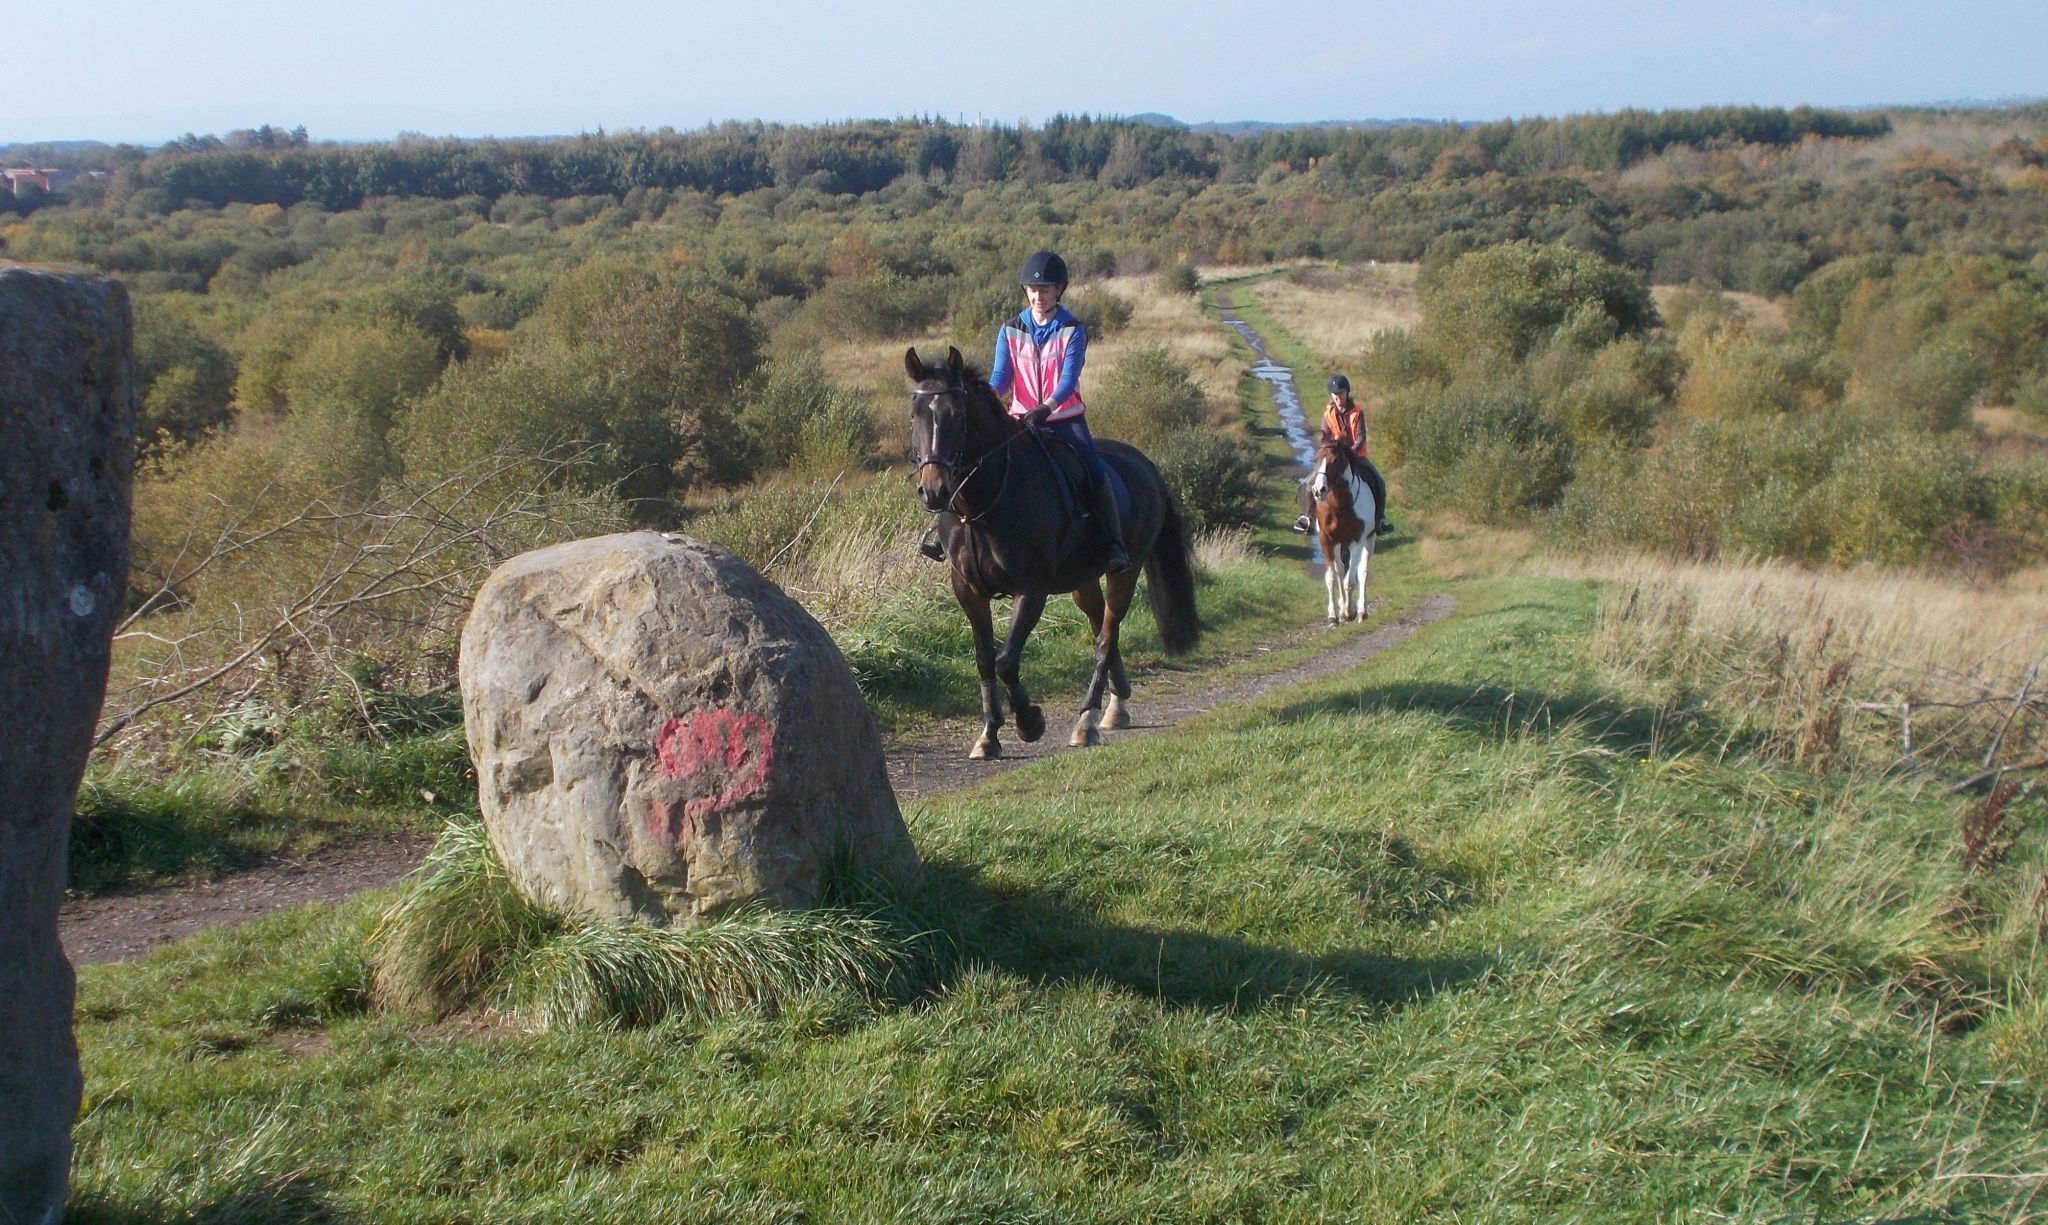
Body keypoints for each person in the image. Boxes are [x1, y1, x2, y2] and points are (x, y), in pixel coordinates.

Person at [921, 250, 1132, 573]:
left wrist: (1045, 409)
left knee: (1092, 467)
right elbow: (1001, 378)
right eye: (1033, 290)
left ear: (1059, 290)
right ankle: (943, 531)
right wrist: (983, 403)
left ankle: (1113, 543)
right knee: (970, 459)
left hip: (1064, 420)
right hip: (1019, 420)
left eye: (1045, 290)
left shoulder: (1072, 330)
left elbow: (1067, 381)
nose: (1038, 296)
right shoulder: (1010, 329)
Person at [1294, 373, 1393, 537]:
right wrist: (1328, 448)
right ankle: (1308, 518)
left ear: (1347, 392)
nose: (1338, 396)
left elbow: (1361, 437)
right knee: (1310, 483)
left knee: (1378, 482)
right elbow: (1324, 433)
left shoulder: (1357, 412)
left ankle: (1379, 521)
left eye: (1341, 393)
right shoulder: (1328, 413)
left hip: (1356, 457)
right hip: (1333, 457)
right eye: (1335, 393)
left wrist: (1350, 454)